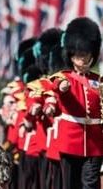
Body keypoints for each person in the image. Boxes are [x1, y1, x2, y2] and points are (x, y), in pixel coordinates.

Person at [50, 17, 103, 189]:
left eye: (86, 53)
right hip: (71, 142)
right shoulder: (64, 78)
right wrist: (62, 87)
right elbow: (56, 87)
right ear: (71, 56)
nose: (83, 58)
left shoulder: (99, 80)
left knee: (90, 185)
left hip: (95, 143)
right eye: (79, 54)